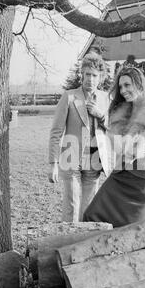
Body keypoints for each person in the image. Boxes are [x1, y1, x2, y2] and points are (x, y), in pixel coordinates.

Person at [83, 66, 145, 227]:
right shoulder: (120, 111)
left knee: (133, 230)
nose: (123, 90)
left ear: (139, 83)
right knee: (91, 215)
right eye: (121, 86)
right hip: (120, 176)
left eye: (127, 85)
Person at [48, 52, 111, 222]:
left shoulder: (106, 99)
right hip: (71, 158)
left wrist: (101, 115)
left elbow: (114, 129)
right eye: (88, 74)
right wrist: (53, 164)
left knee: (89, 207)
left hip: (95, 160)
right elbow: (56, 132)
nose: (90, 79)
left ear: (100, 78)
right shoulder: (69, 97)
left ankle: (82, 242)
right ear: (82, 74)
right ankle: (67, 243)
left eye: (94, 75)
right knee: (72, 205)